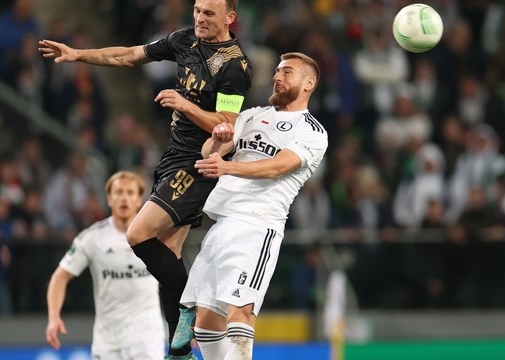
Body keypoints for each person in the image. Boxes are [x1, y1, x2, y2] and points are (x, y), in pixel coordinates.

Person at [39, 0, 251, 357]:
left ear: (229, 18)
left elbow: (224, 129)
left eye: (208, 13)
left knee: (138, 234)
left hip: (200, 162)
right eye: (197, 10)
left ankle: (191, 304)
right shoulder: (185, 40)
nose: (199, 18)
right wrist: (78, 54)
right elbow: (128, 55)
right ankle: (180, 350)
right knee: (167, 253)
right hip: (173, 156)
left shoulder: (234, 66)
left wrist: (185, 105)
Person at [183, 52, 328, 360]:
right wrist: (218, 139)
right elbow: (210, 151)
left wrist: (227, 168)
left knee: (241, 313)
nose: (276, 76)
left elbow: (277, 166)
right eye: (277, 71)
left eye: (286, 72)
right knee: (205, 324)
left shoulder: (312, 131)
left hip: (258, 225)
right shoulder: (251, 115)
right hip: (222, 222)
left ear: (308, 83)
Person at [45, 171, 166, 359]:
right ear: (109, 199)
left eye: (130, 193)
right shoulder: (93, 238)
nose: (124, 198)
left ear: (139, 200)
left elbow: (177, 280)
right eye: (118, 193)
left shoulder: (157, 235)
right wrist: (53, 317)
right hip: (108, 342)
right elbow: (60, 277)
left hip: (147, 339)